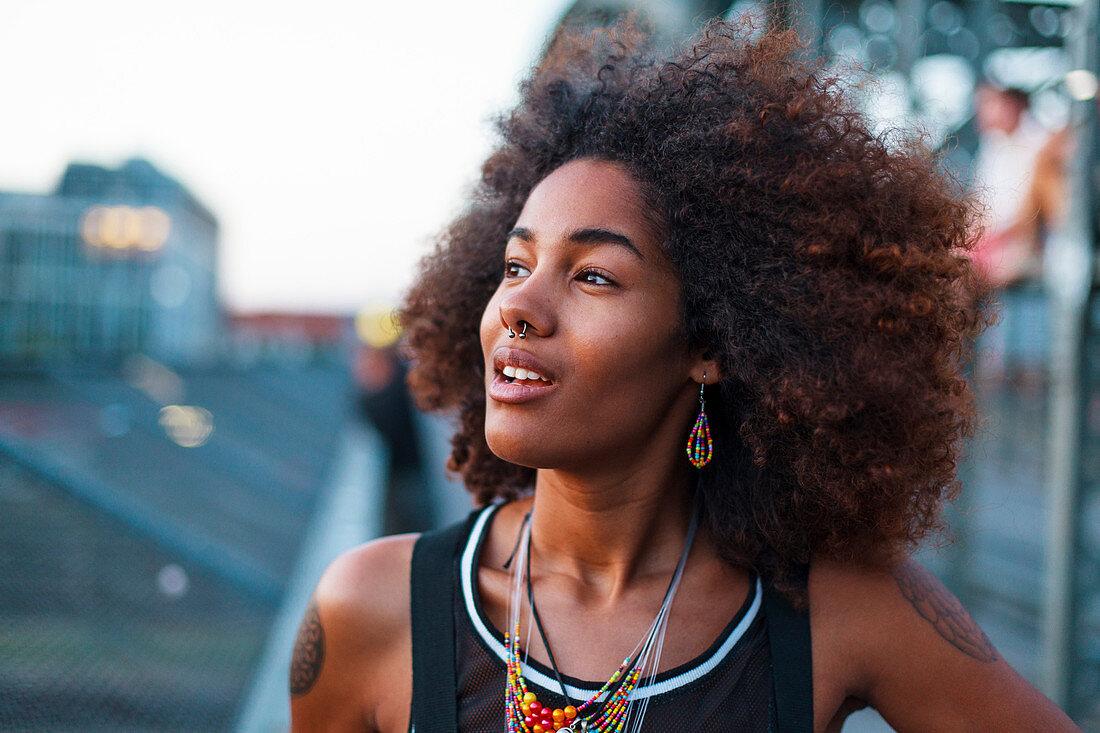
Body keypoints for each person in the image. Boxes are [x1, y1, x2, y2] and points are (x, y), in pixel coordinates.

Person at [289, 20, 1080, 732]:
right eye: (514, 263)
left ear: (711, 342)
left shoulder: (830, 607)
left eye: (592, 275)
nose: (518, 307)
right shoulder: (374, 607)